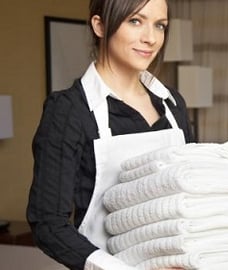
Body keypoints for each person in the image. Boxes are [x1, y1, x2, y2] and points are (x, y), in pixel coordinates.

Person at [26, 0, 194, 269]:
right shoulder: (69, 111)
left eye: (159, 25)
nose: (150, 38)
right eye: (135, 21)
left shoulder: (173, 104)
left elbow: (191, 194)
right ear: (100, 26)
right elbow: (48, 224)